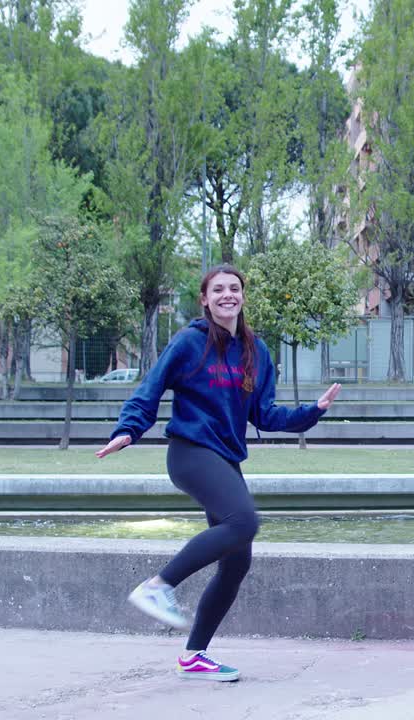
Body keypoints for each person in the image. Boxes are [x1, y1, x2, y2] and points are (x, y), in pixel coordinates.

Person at [96, 264, 342, 682]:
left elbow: (264, 414)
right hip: (190, 451)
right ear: (206, 300)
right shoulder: (189, 343)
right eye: (218, 290)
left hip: (226, 457)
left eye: (235, 288)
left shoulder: (255, 351)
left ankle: (194, 656)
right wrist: (129, 430)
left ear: (242, 297)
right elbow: (150, 388)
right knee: (244, 521)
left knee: (236, 561)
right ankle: (158, 586)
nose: (228, 295)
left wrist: (311, 413)